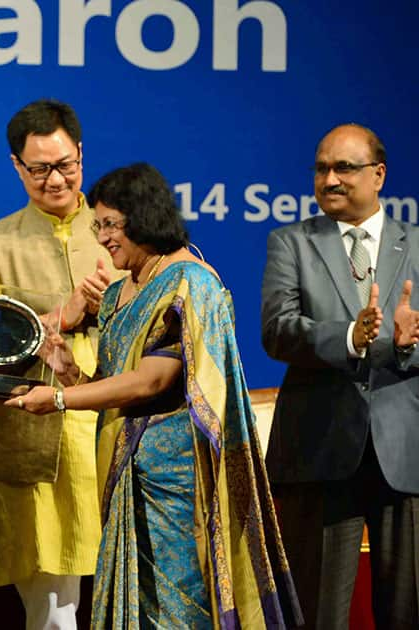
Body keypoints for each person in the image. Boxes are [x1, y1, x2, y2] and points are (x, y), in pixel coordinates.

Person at [11, 163, 301, 628]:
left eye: (110, 225)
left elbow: (152, 381)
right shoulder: (118, 294)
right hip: (126, 478)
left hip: (177, 487)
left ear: (144, 217)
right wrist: (64, 368)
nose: (102, 238)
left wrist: (61, 402)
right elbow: (108, 388)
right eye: (97, 225)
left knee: (177, 611)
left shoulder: (191, 282)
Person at [262, 124, 419, 629]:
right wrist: (351, 337)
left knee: (407, 610)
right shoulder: (291, 242)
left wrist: (407, 345)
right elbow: (277, 331)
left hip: (405, 452)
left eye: (343, 168)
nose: (329, 179)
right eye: (321, 168)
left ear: (378, 175)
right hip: (321, 448)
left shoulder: (415, 245)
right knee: (319, 612)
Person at [0, 99, 113, 628]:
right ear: (16, 166)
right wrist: (64, 315)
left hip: (115, 439)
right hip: (37, 445)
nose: (56, 180)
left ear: (81, 153)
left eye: (66, 165)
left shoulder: (118, 232)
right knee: (53, 613)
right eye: (39, 169)